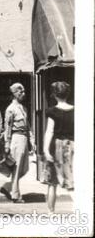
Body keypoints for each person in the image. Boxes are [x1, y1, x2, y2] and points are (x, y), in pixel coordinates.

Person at [41, 81, 74, 213]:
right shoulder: (75, 110)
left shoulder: (52, 111)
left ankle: (51, 212)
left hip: (57, 147)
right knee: (72, 181)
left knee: (52, 183)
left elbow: (49, 131)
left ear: (54, 95)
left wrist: (45, 149)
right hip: (72, 146)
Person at [1, 83, 35, 203]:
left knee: (24, 168)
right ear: (15, 94)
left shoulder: (23, 108)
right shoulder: (10, 109)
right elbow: (8, 127)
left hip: (24, 138)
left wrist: (32, 140)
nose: (23, 94)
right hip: (16, 138)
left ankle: (6, 187)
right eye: (21, 92)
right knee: (17, 167)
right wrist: (7, 144)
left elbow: (28, 126)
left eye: (24, 92)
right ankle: (16, 195)